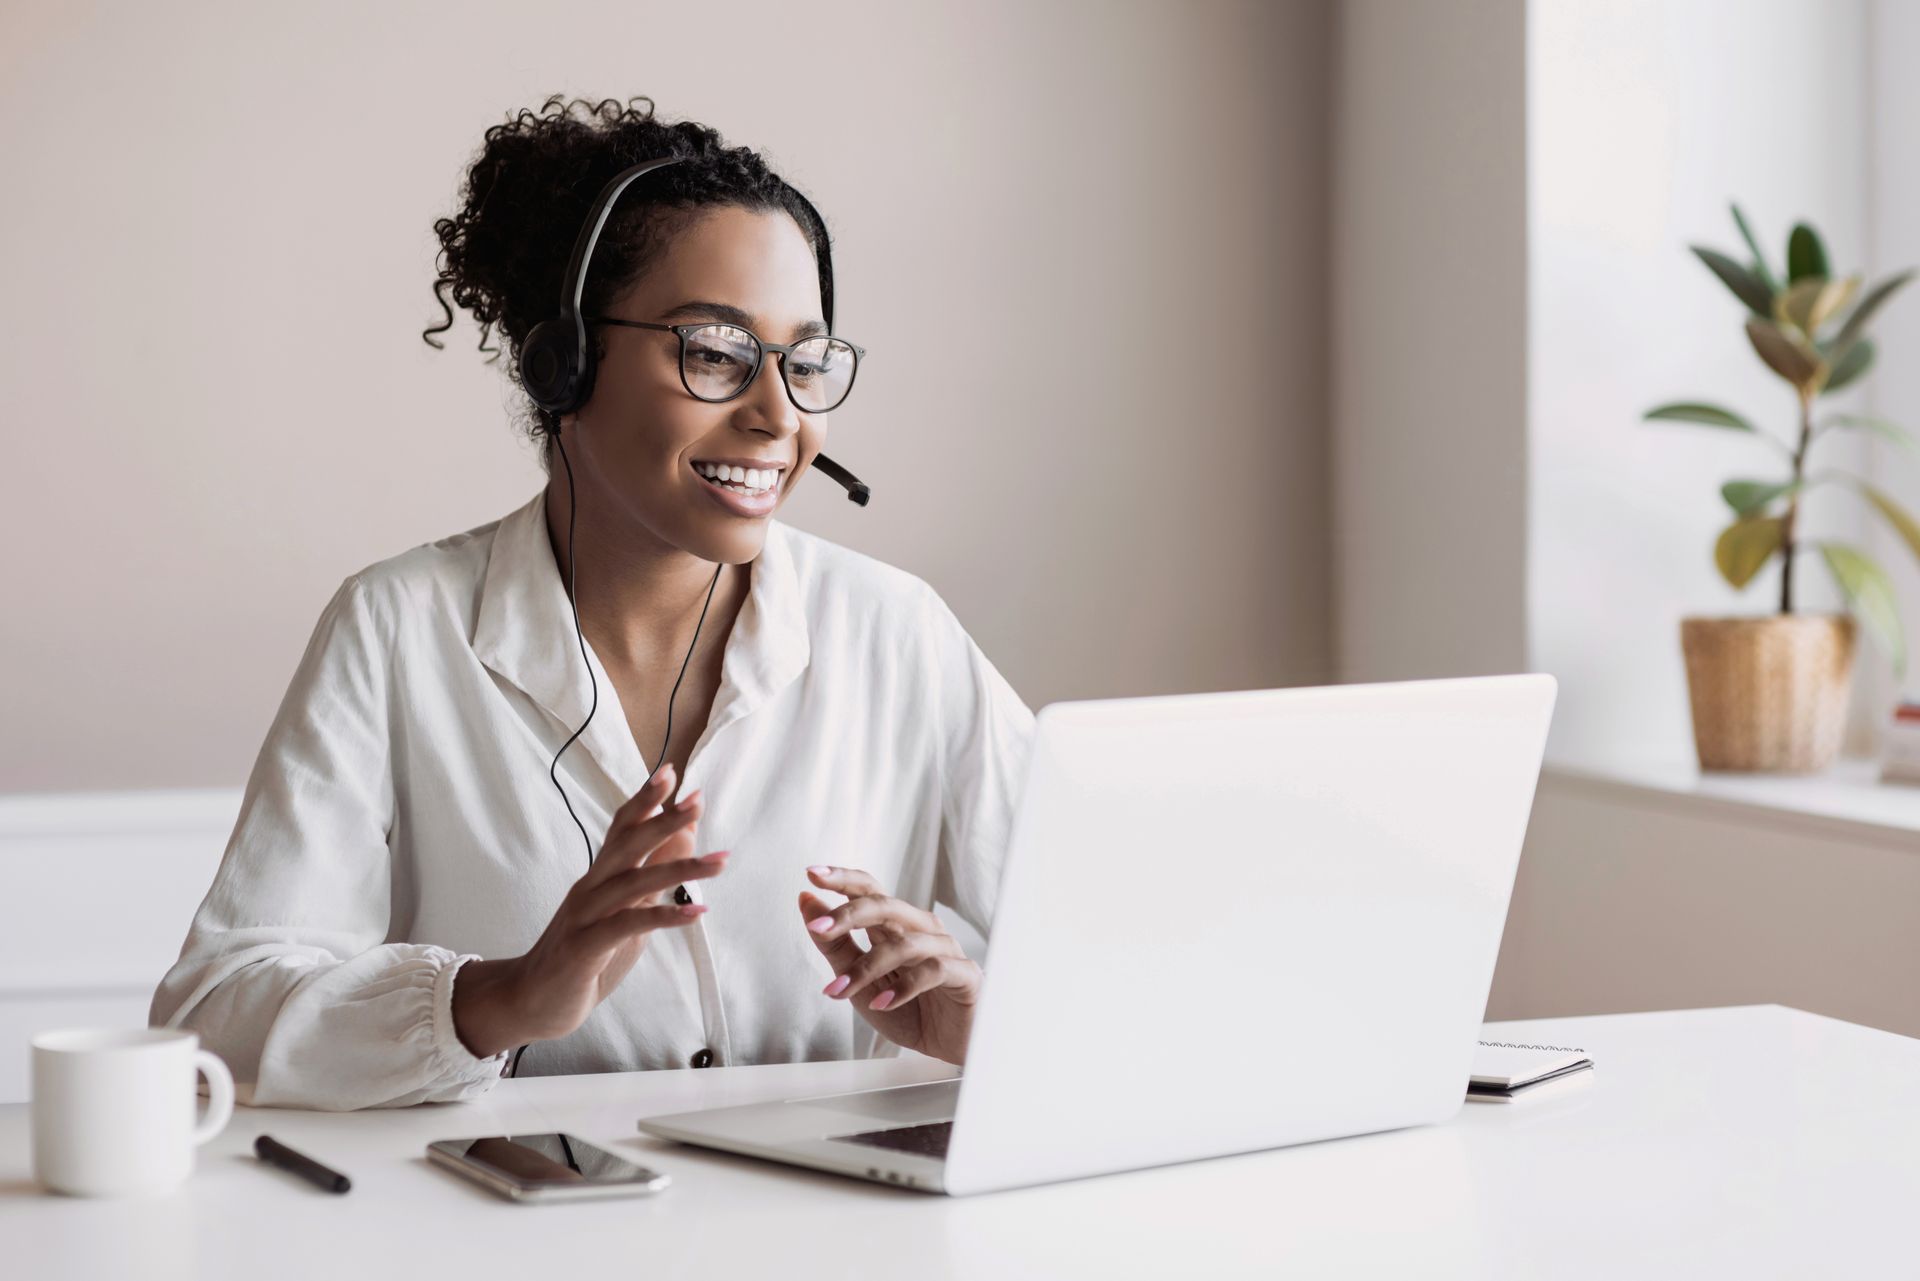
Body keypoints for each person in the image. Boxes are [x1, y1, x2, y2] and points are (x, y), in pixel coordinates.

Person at [147, 95, 1035, 1111]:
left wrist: (984, 1018)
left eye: (806, 362)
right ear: (563, 362)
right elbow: (213, 1019)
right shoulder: (399, 629)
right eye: (715, 352)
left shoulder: (897, 633)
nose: (778, 418)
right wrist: (500, 998)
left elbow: (1127, 960)